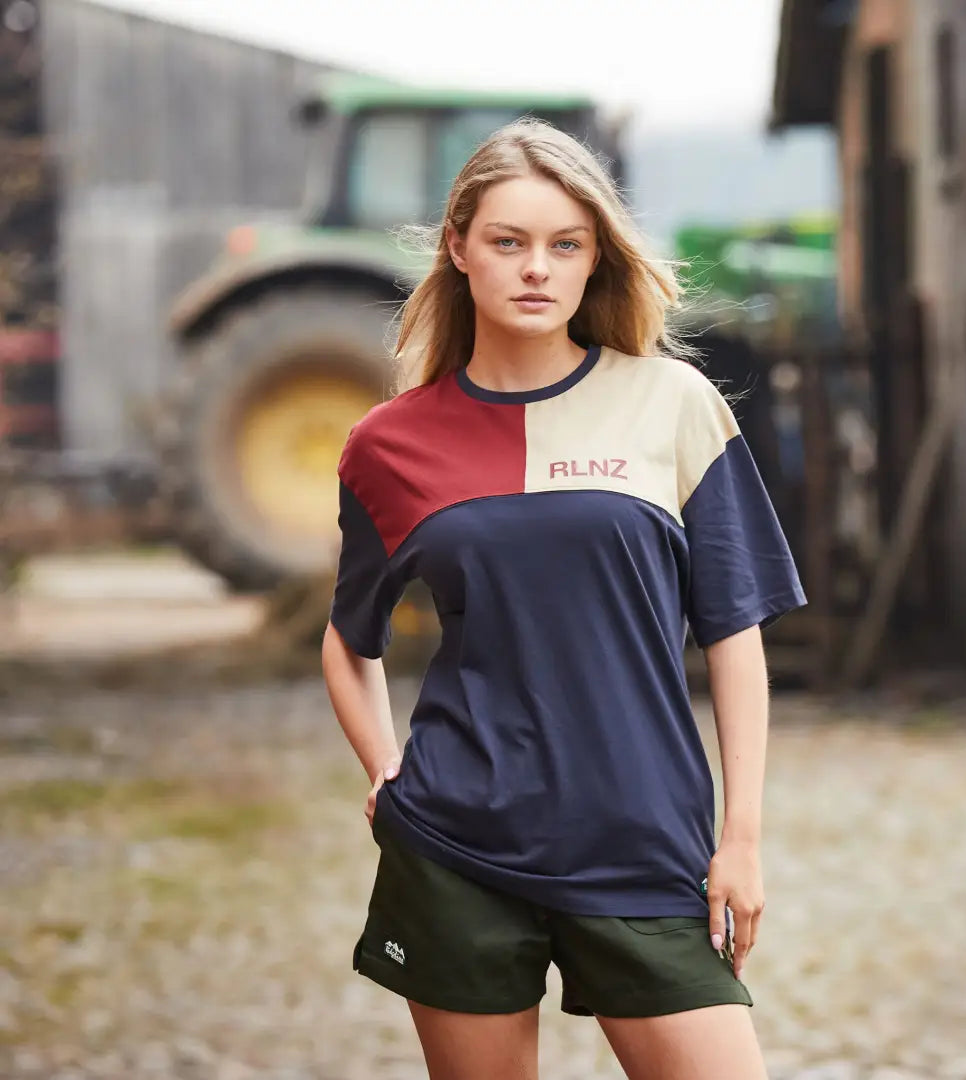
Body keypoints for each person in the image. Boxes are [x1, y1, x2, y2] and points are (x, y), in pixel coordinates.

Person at [321, 119, 807, 1080]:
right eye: (508, 242)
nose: (536, 269)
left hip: (644, 838)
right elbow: (349, 639)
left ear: (597, 259)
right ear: (459, 249)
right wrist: (385, 772)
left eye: (565, 245)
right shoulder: (390, 445)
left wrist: (741, 839)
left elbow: (734, 633)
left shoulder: (673, 403)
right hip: (457, 844)